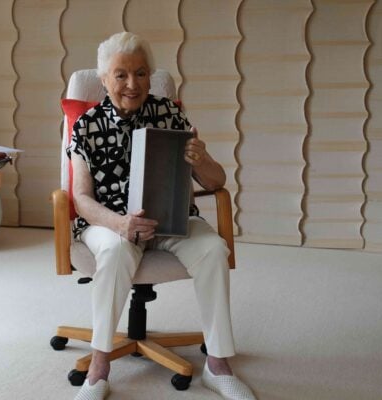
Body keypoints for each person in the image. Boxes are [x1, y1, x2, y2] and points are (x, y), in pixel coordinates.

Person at [67, 32, 257, 400]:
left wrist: (201, 159)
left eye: (140, 73)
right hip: (111, 222)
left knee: (213, 250)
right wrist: (120, 224)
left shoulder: (170, 113)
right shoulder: (87, 126)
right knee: (115, 251)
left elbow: (215, 181)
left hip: (170, 218)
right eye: (120, 74)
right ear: (104, 78)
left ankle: (218, 366)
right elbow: (81, 199)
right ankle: (99, 366)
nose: (132, 84)